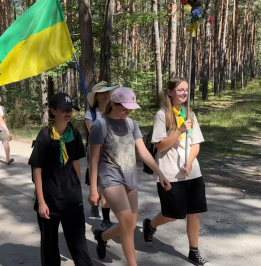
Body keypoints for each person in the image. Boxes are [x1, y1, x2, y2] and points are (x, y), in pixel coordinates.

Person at [89, 87, 171, 266]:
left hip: (129, 178)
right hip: (110, 178)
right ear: (113, 103)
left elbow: (143, 151)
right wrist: (94, 190)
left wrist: (160, 173)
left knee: (131, 225)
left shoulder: (131, 124)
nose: (128, 111)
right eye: (124, 107)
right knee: (126, 222)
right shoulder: (100, 126)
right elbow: (93, 160)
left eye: (131, 107)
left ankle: (102, 237)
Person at [142, 77, 209, 266]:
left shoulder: (190, 114)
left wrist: (189, 162)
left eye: (186, 90)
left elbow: (195, 144)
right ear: (170, 92)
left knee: (194, 213)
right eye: (180, 90)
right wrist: (179, 131)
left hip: (192, 171)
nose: (184, 93)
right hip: (170, 172)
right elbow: (161, 146)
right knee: (173, 214)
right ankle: (151, 225)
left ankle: (193, 252)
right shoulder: (162, 115)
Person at [29, 92, 93, 266]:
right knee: (49, 246)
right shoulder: (45, 136)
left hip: (71, 198)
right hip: (49, 199)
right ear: (53, 111)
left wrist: (76, 188)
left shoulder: (75, 134)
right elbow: (37, 169)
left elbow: (75, 163)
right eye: (64, 109)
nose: (68, 113)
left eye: (70, 109)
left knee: (79, 244)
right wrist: (41, 202)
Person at [85, 82, 119, 222]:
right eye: (103, 93)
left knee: (105, 185)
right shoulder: (90, 113)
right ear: (96, 96)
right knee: (99, 183)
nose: (106, 95)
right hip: (96, 152)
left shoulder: (115, 110)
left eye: (108, 92)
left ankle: (106, 219)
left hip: (112, 152)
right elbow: (92, 131)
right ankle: (94, 199)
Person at [0, 94, 14, 165]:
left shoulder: (2, 108)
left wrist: (6, 129)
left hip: (1, 128)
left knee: (6, 142)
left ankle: (8, 158)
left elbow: (3, 119)